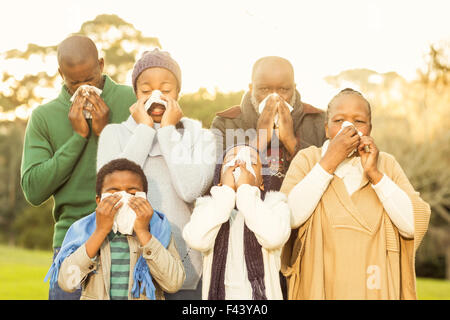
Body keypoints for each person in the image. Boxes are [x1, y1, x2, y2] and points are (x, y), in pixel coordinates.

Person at [280, 88, 431, 299]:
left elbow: (412, 226)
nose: (348, 127)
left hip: (375, 288)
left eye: (359, 121)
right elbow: (288, 217)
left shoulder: (385, 164)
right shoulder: (308, 160)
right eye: (339, 120)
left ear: (370, 128)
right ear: (326, 128)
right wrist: (328, 162)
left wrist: (375, 175)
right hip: (318, 288)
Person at [20, 35, 136, 300]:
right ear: (61, 74)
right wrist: (78, 138)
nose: (84, 89)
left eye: (91, 80)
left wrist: (106, 132)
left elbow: (148, 170)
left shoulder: (131, 99)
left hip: (128, 242)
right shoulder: (43, 117)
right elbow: (34, 190)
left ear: (101, 65)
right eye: (74, 83)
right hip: (71, 244)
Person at [97, 48, 216, 299]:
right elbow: (113, 191)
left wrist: (167, 133)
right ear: (136, 95)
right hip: (128, 270)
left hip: (186, 270)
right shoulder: (113, 135)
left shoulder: (201, 137)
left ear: (178, 94)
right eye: (146, 90)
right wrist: (145, 130)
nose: (156, 97)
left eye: (166, 89)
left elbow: (190, 189)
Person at [46, 158, 185, 300]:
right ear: (99, 201)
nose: (123, 198)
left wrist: (143, 233)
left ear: (144, 199)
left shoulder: (158, 230)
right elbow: (68, 283)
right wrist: (100, 232)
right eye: (114, 193)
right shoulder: (84, 231)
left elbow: (173, 283)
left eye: (132, 193)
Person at [183, 144, 291, 300]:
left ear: (262, 181)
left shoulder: (275, 206)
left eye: (251, 161)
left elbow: (273, 238)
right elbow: (197, 240)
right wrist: (227, 191)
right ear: (219, 179)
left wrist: (245, 189)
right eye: (231, 160)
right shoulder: (207, 207)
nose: (240, 163)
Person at [211, 56, 326, 192]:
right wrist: (260, 140)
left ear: (293, 89)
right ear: (251, 88)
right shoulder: (225, 123)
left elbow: (327, 177)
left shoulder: (318, 121)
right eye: (264, 90)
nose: (274, 97)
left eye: (283, 89)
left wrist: (291, 141)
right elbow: (217, 181)